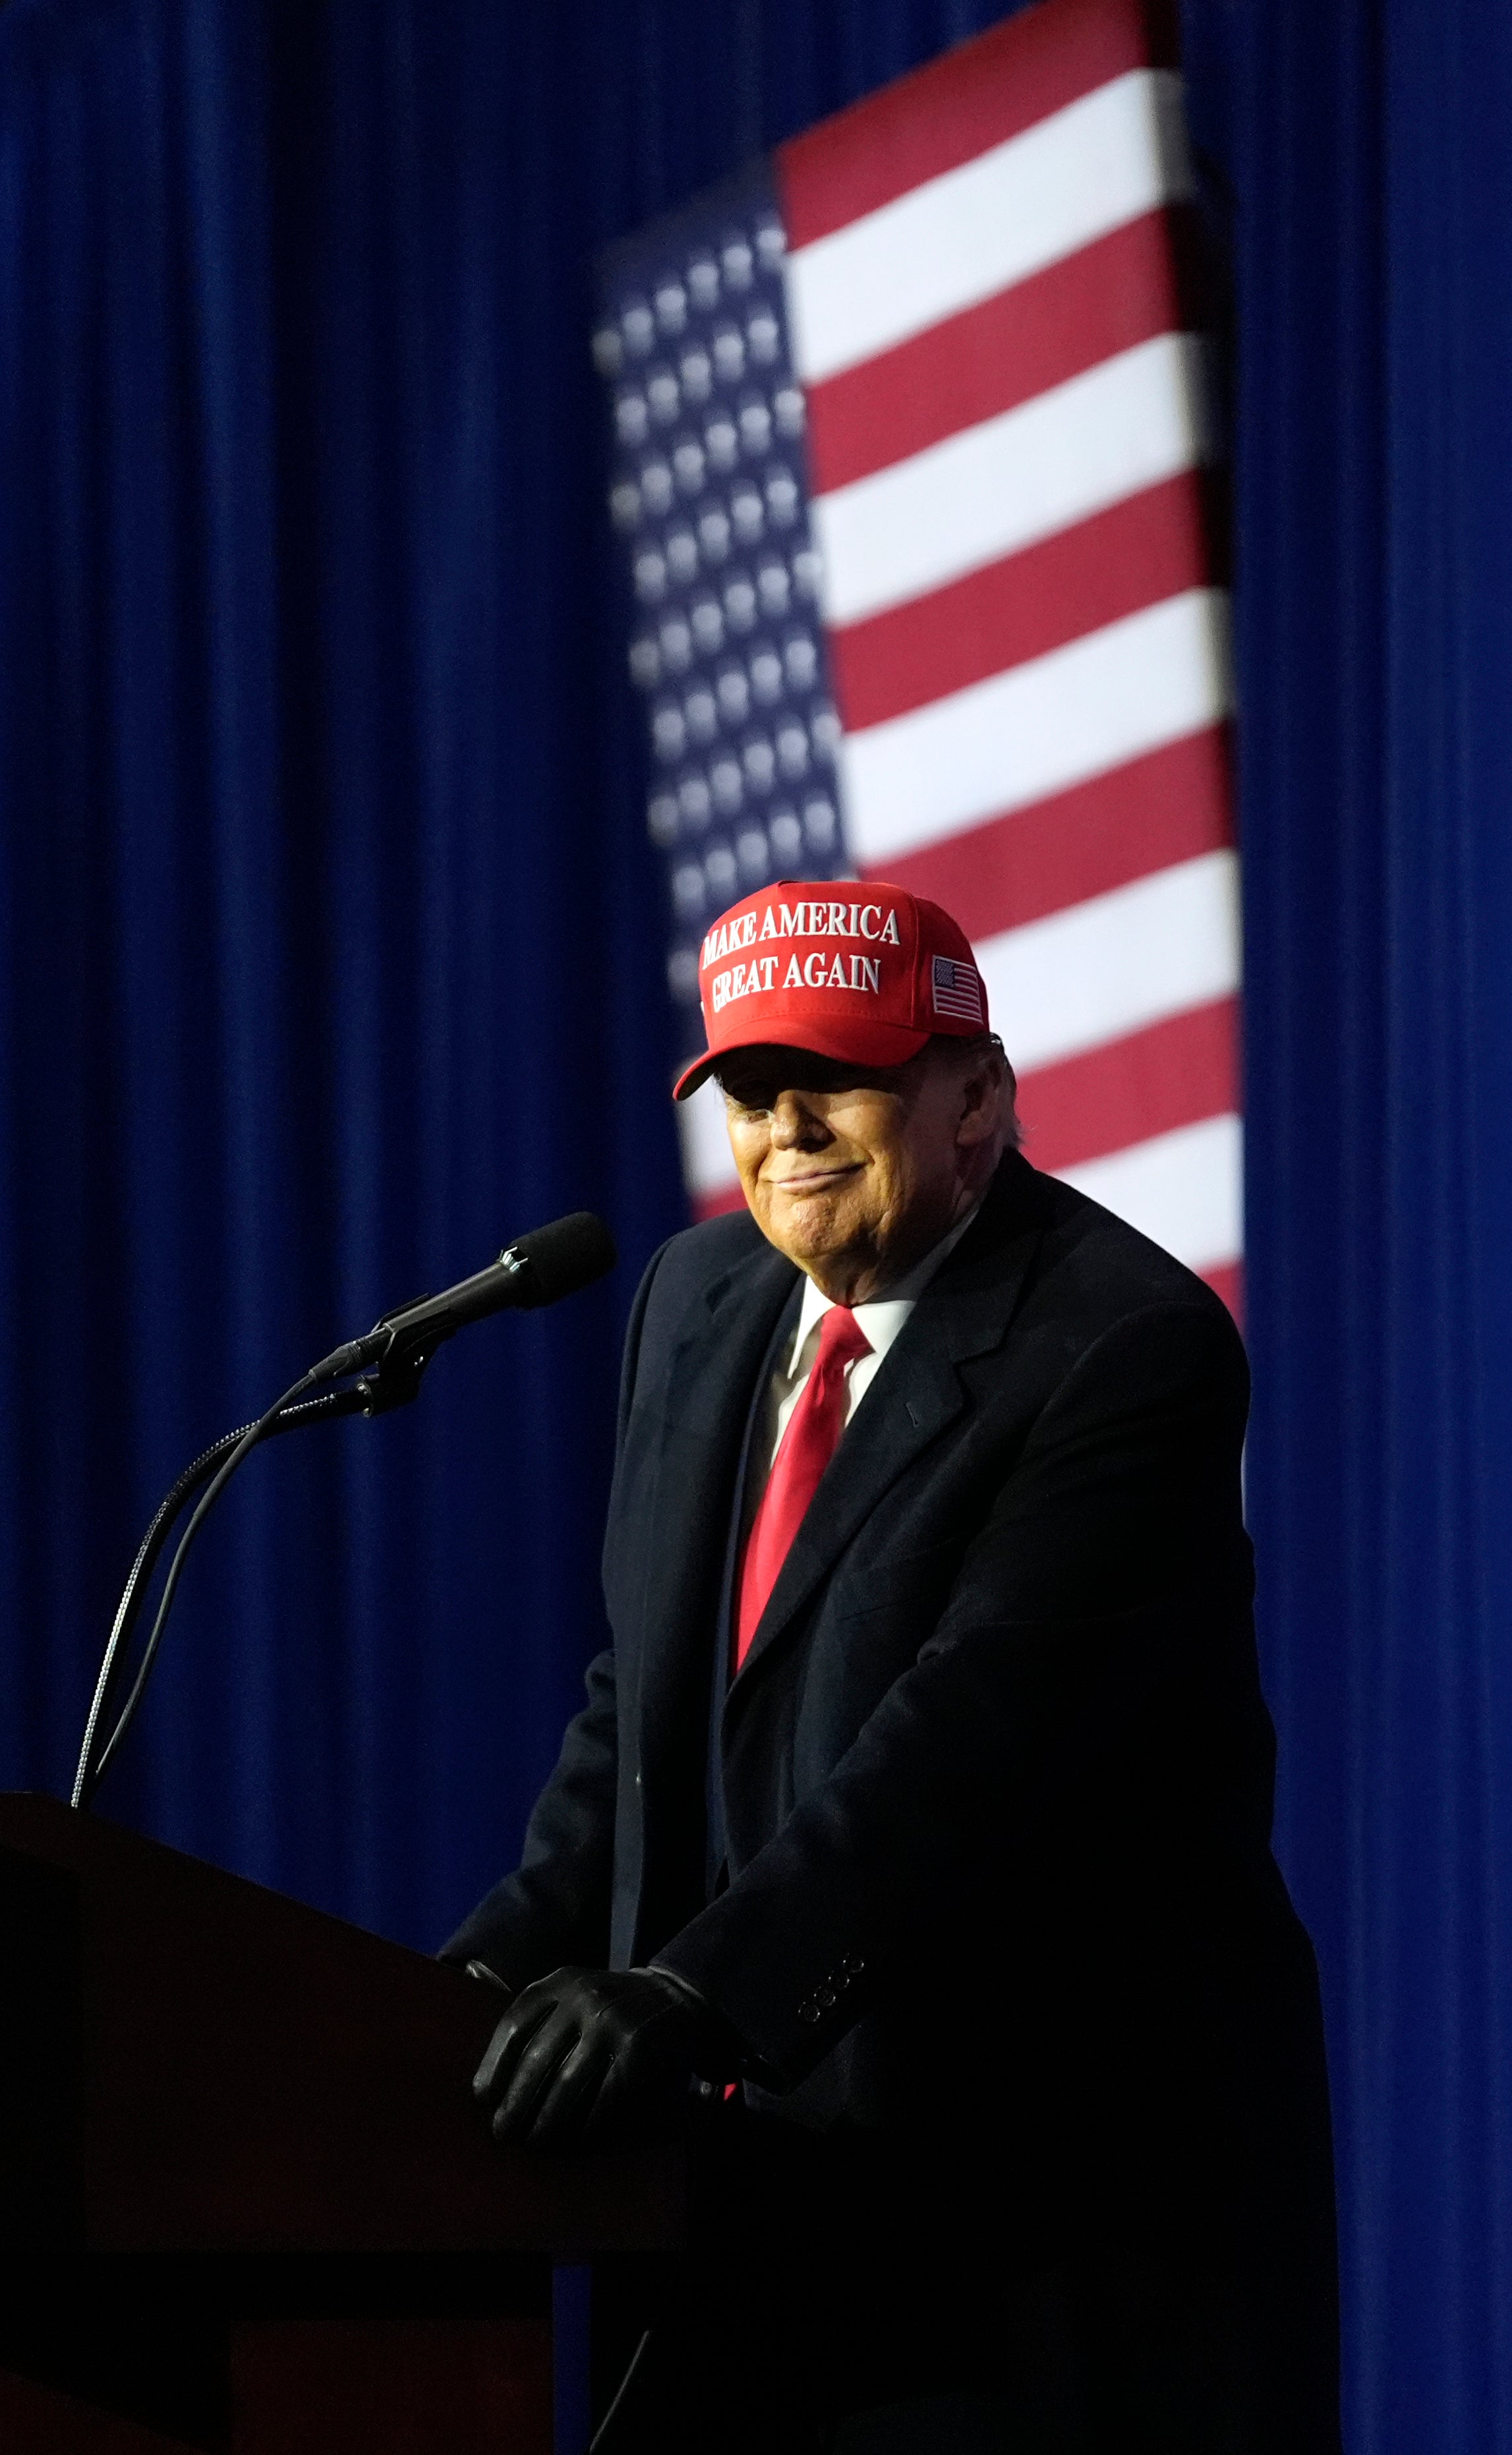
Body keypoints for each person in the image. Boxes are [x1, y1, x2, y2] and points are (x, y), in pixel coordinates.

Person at [446, 879, 1339, 2452]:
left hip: (1044, 2209)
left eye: (836, 1077)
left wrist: (682, 1994)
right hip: (747, 2195)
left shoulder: (1124, 1344)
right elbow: (640, 1713)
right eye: (744, 1086)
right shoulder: (697, 1301)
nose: (783, 1122)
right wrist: (470, 1984)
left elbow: (966, 1744)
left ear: (974, 1098)